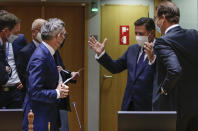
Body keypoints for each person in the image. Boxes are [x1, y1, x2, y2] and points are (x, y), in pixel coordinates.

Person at [18, 18, 78, 131]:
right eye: (64, 35)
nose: (65, 38)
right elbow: (34, 92)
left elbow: (46, 83)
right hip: (38, 118)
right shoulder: (40, 57)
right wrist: (57, 92)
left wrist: (58, 88)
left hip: (45, 115)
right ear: (58, 36)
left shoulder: (47, 52)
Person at [89, 17, 155, 111]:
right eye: (135, 33)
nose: (137, 36)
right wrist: (101, 54)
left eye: (141, 33)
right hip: (129, 105)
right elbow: (115, 67)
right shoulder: (132, 50)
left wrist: (152, 58)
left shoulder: (161, 50)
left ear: (151, 33)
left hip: (149, 107)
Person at [153, 1, 198, 131]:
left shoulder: (163, 41)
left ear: (163, 18)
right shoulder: (195, 34)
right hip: (195, 107)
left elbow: (174, 70)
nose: (156, 22)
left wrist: (164, 88)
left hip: (174, 107)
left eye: (156, 18)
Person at [0, 10, 27, 109]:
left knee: (15, 122)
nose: (15, 36)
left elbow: (26, 61)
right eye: (14, 32)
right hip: (1, 88)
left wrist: (23, 80)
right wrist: (4, 69)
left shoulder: (20, 39)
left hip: (15, 89)